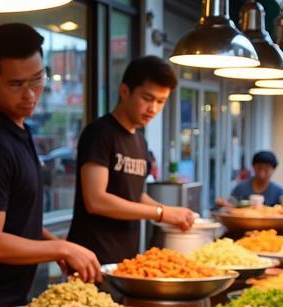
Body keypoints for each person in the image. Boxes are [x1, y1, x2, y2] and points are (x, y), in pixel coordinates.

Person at [0, 24, 100, 307]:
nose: (30, 94)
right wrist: (63, 249)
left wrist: (55, 244)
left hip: (14, 297)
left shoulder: (20, 130)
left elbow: (20, 219)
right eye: (16, 85)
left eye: (37, 79)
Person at [67, 55, 195, 264]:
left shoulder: (140, 142)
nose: (153, 109)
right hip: (90, 259)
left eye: (161, 101)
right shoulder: (99, 133)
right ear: (125, 91)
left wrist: (171, 212)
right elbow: (95, 200)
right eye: (147, 98)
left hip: (125, 259)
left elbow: (134, 194)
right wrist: (160, 213)